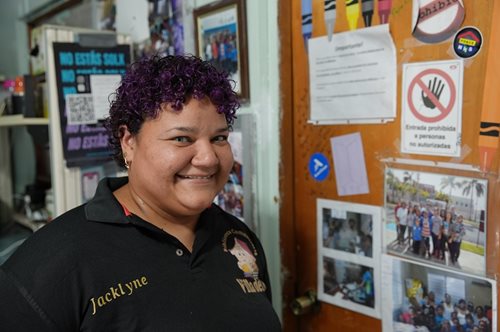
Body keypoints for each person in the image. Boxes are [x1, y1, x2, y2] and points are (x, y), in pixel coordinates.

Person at [0, 55, 281, 331]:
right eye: (182, 138)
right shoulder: (53, 263)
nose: (208, 158)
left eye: (219, 138)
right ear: (128, 142)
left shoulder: (238, 239)